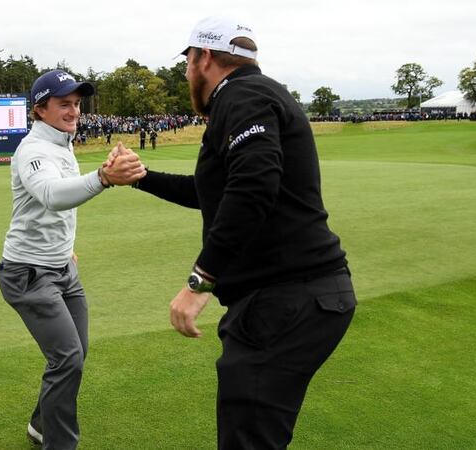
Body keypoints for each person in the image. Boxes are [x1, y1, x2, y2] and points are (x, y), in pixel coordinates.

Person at [115, 16, 356, 449]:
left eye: (187, 60)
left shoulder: (242, 95)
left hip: (285, 299)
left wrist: (200, 280)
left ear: (204, 57)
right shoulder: (254, 95)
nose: (187, 70)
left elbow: (253, 188)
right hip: (300, 297)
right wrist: (141, 177)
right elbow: (214, 193)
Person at [0, 69, 145, 450]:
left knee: (76, 353)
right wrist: (105, 178)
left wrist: (66, 249)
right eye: (64, 103)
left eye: (77, 103)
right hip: (28, 273)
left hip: (63, 268)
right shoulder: (33, 149)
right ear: (40, 109)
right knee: (67, 359)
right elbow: (51, 194)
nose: (74, 110)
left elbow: (59, 209)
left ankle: (40, 423)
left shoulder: (62, 143)